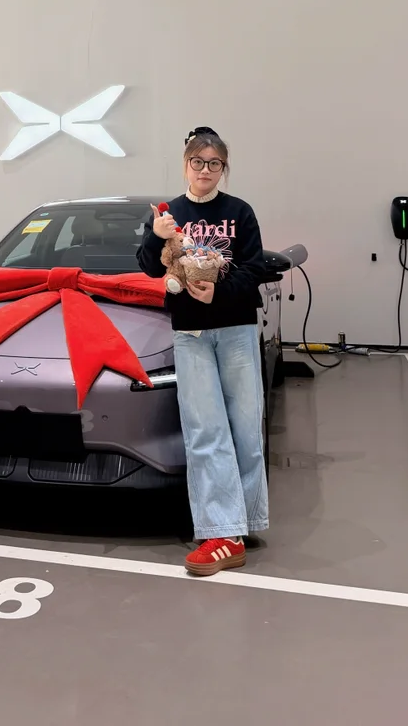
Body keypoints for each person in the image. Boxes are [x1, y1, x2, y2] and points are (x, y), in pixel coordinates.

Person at [137, 126, 269, 575]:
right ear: (186, 164)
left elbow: (254, 268)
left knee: (246, 428)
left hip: (235, 330)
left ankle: (243, 521)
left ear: (223, 168)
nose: (205, 170)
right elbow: (147, 266)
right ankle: (222, 533)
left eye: (214, 164)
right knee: (205, 429)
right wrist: (155, 235)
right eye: (198, 162)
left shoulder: (240, 211)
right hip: (190, 334)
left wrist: (220, 292)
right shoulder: (169, 212)